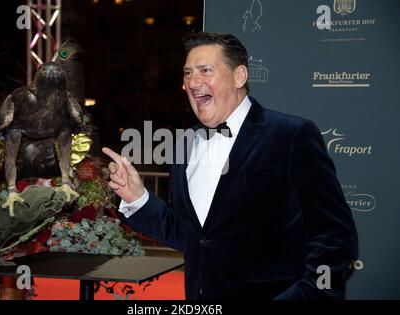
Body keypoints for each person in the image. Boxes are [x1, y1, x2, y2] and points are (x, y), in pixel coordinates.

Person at [102, 32, 358, 300]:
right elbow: (193, 237)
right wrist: (139, 198)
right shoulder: (183, 145)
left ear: (239, 77)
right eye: (187, 73)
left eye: (205, 71)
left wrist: (309, 294)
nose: (192, 82)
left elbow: (334, 236)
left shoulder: (291, 135)